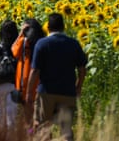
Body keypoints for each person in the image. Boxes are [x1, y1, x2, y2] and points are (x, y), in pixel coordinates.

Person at [26, 13, 88, 141]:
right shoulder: (73, 44)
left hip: (46, 93)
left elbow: (35, 71)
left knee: (43, 127)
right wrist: (78, 87)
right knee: (66, 130)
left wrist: (29, 93)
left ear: (48, 27)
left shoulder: (42, 44)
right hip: (67, 92)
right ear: (63, 27)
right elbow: (82, 69)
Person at [11, 18, 45, 131]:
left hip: (25, 83)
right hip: (40, 84)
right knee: (41, 117)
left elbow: (13, 51)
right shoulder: (43, 41)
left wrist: (21, 33)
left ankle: (31, 135)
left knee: (28, 118)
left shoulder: (24, 42)